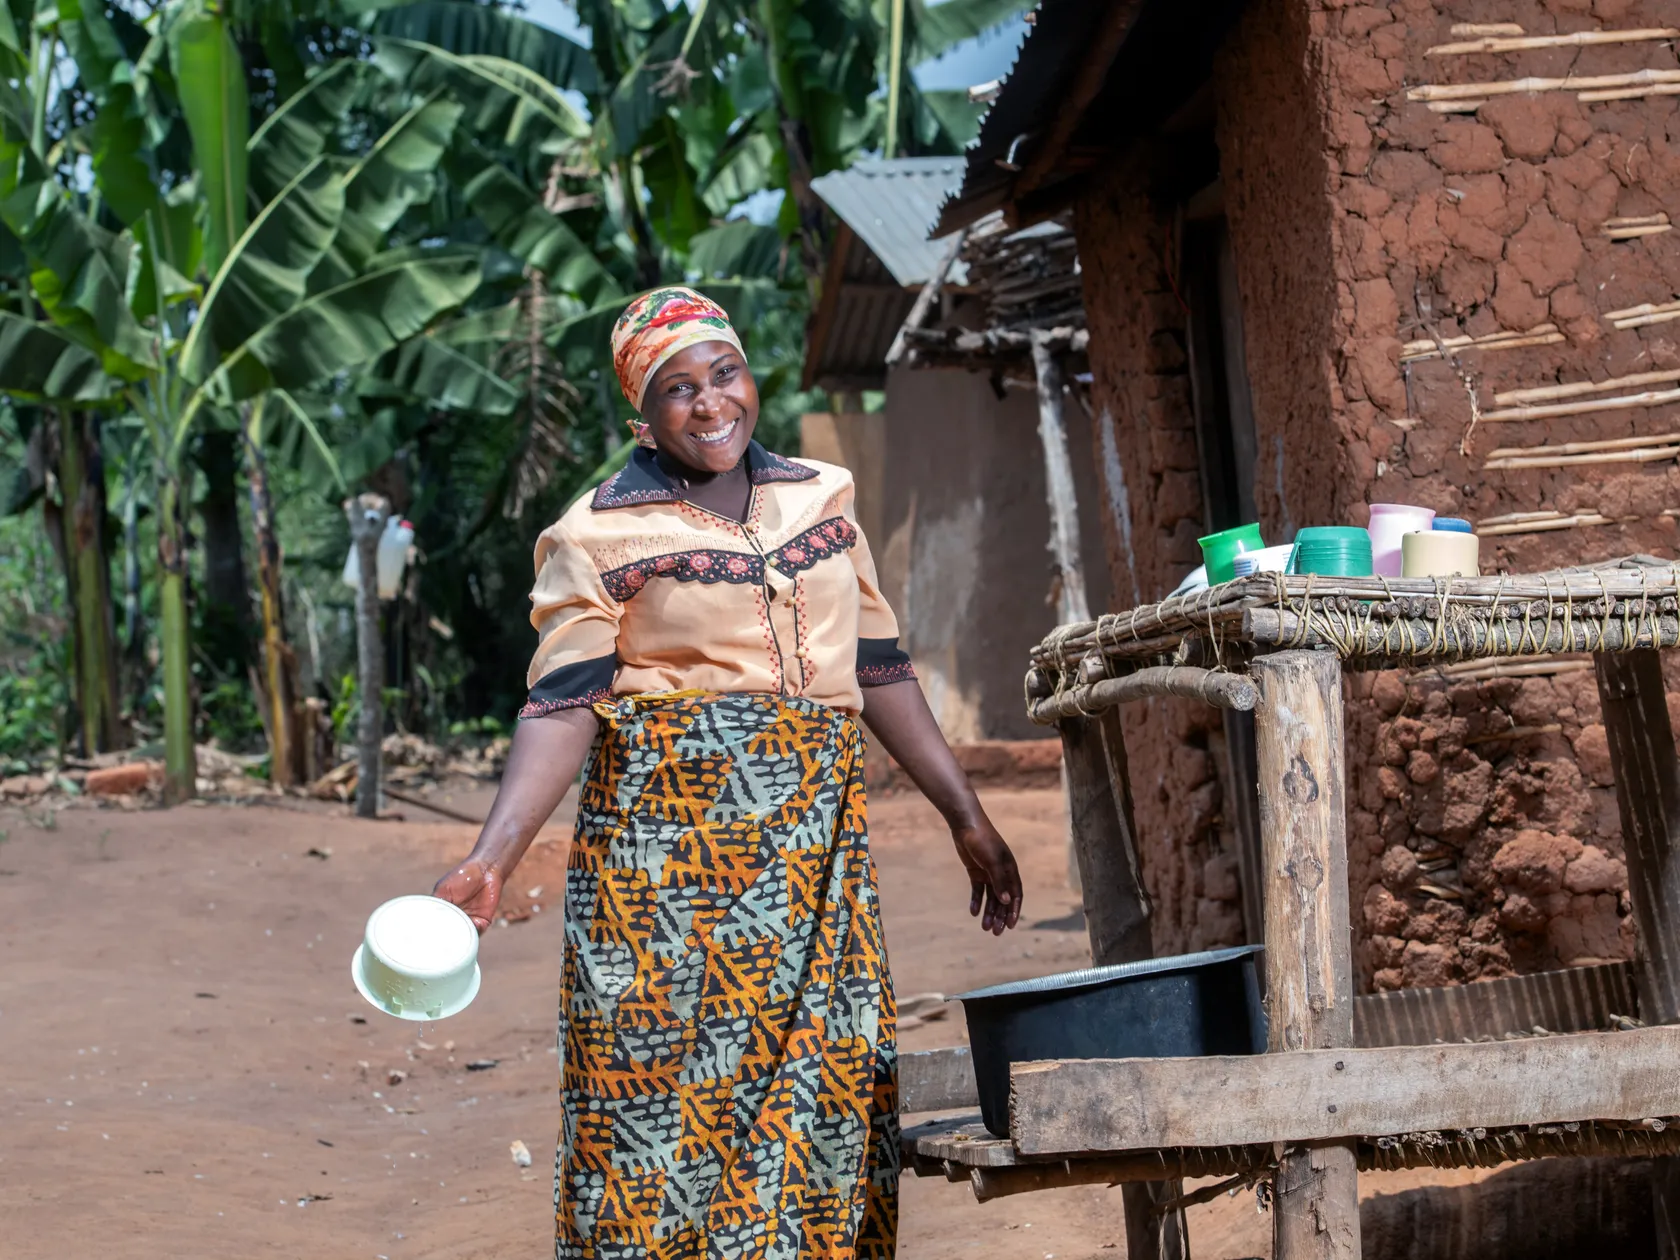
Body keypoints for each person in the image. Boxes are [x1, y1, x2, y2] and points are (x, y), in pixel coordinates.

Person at [434, 286, 1023, 1259]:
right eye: (677, 390)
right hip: (673, 887)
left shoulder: (821, 496)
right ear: (641, 416)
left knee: (826, 1103)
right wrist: (494, 855)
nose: (710, 404)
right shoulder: (594, 536)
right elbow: (562, 703)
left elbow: (876, 666)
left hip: (816, 867)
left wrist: (965, 812)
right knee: (661, 1129)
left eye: (724, 374)